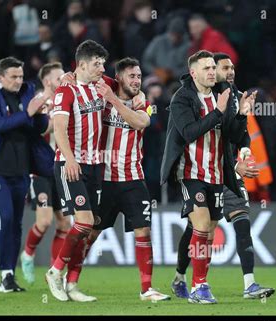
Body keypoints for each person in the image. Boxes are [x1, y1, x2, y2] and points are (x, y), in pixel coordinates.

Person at [58, 57, 171, 301]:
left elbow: (142, 122)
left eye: (139, 76)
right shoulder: (102, 88)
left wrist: (113, 100)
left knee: (143, 230)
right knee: (90, 234)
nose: (136, 81)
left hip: (133, 179)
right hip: (104, 180)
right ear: (118, 78)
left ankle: (146, 289)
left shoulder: (142, 102)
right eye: (131, 76)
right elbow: (81, 76)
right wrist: (67, 76)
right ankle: (71, 282)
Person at [171, 53, 275, 300]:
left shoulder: (234, 96)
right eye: (223, 67)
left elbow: (237, 135)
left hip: (225, 171)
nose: (231, 72)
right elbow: (188, 132)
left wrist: (243, 140)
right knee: (200, 228)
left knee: (231, 222)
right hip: (194, 171)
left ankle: (246, 284)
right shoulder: (187, 98)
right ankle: (187, 280)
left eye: (232, 67)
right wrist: (219, 112)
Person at [45, 40, 116, 302]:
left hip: (95, 165)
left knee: (92, 227)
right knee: (83, 222)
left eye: (103, 63)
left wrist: (141, 94)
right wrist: (70, 159)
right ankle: (55, 271)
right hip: (69, 164)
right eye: (97, 63)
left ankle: (73, 283)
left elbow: (127, 83)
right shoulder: (66, 91)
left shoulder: (101, 86)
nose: (102, 68)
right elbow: (60, 129)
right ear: (82, 65)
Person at [0, 57, 51, 293]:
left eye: (21, 76)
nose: (19, 81)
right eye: (14, 77)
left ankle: (10, 276)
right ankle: (4, 274)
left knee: (16, 223)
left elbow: (37, 128)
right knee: (5, 217)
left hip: (22, 171)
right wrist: (28, 112)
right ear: (1, 78)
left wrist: (38, 114)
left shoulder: (26, 93)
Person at [20, 62, 72, 285]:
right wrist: (58, 118)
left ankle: (54, 272)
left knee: (64, 224)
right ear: (48, 81)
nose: (64, 78)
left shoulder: (68, 98)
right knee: (44, 221)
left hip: (61, 170)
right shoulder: (39, 101)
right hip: (41, 171)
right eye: (59, 76)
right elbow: (42, 128)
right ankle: (28, 254)